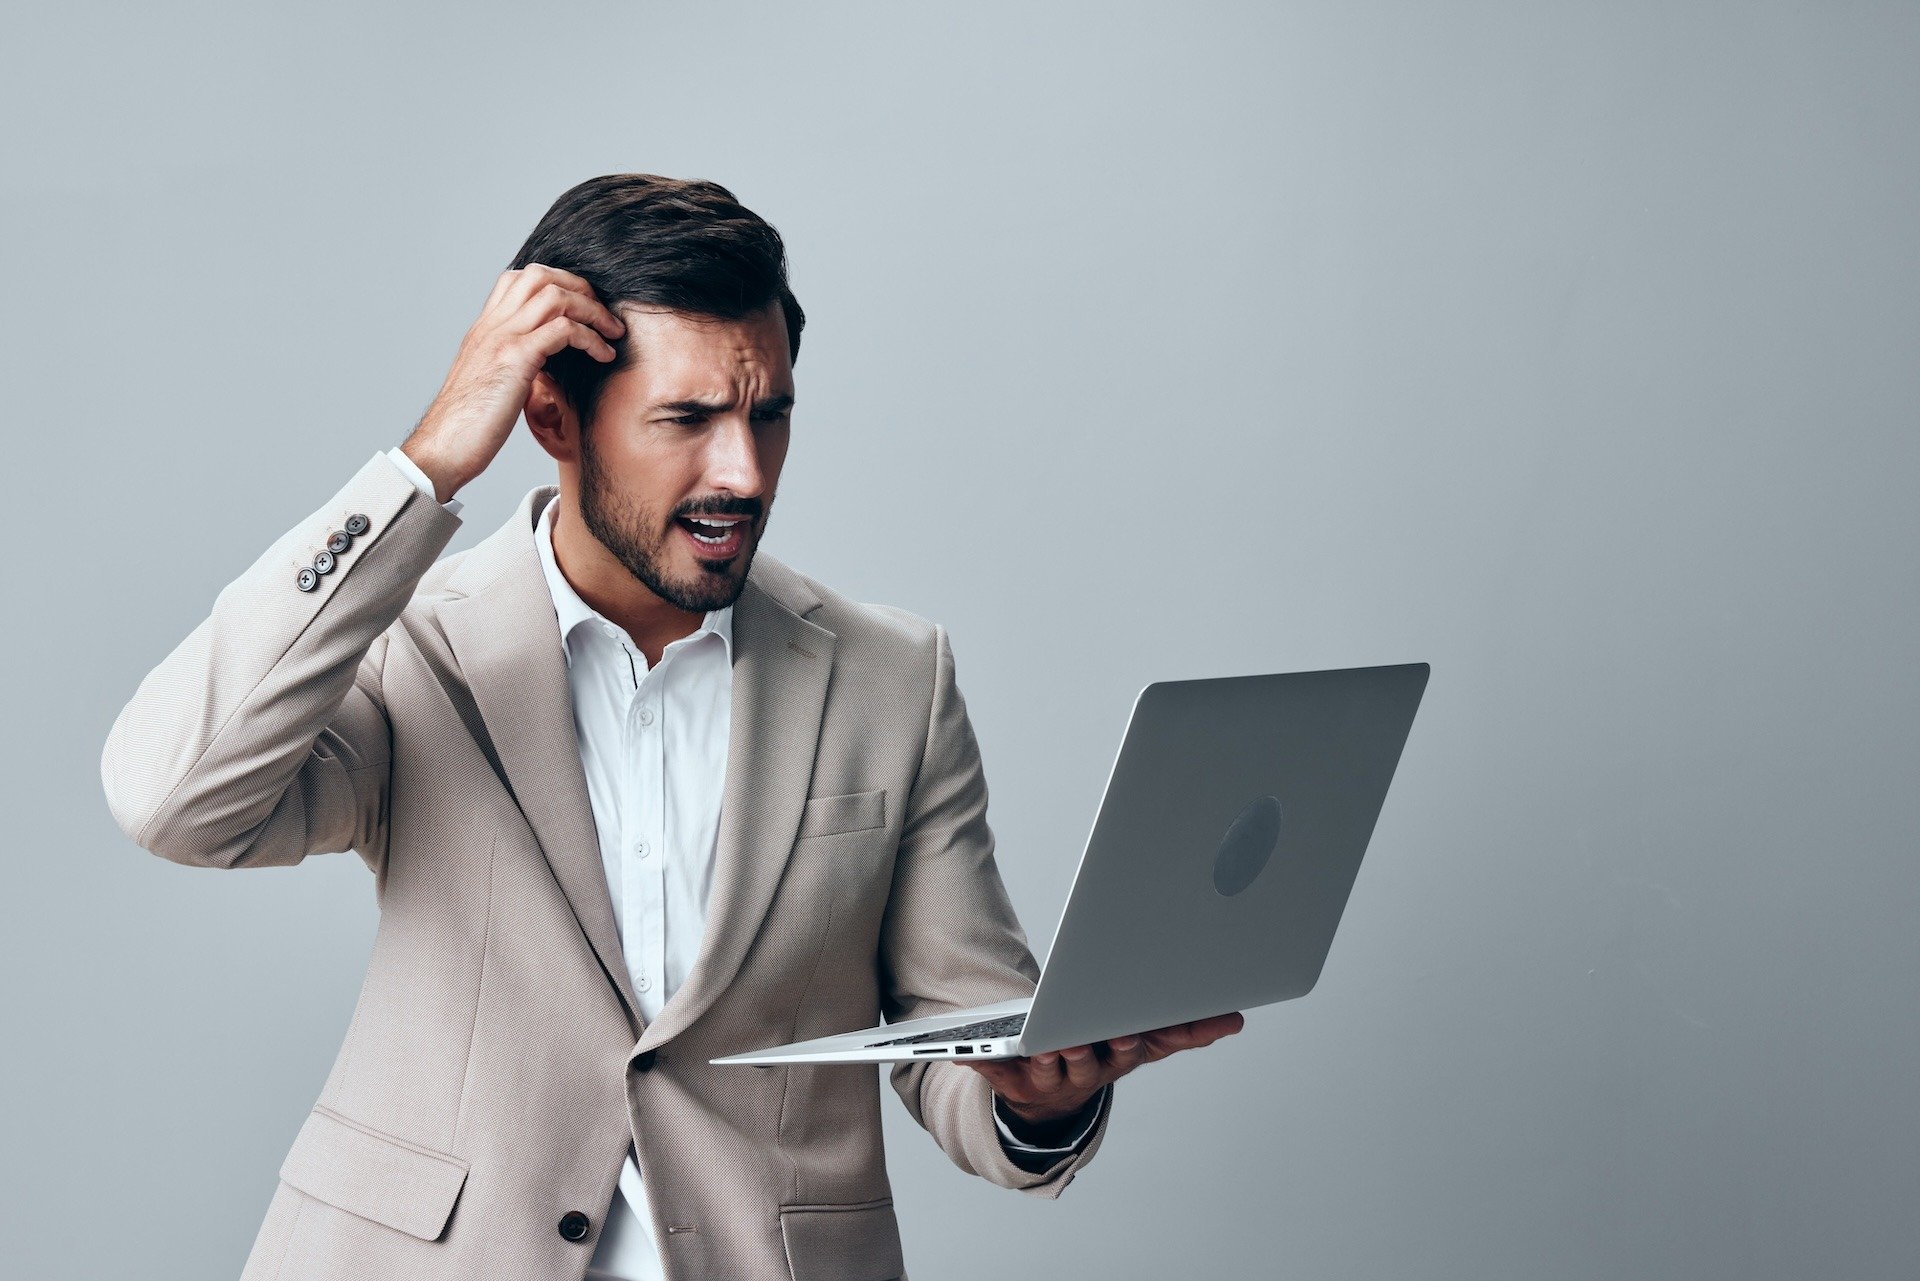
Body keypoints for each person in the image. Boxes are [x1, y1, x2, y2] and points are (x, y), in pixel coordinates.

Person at [100, 173, 1242, 1281]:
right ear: (552, 415)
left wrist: (1040, 1100)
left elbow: (959, 1035)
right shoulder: (409, 649)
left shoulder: (894, 679)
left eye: (769, 414)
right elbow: (172, 797)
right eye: (688, 419)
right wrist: (426, 463)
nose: (742, 472)